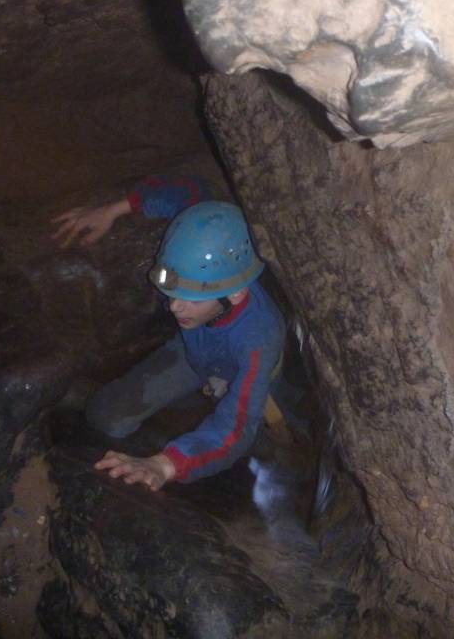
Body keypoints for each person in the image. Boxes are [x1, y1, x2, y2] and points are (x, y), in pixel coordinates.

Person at [51, 176, 285, 491]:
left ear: (235, 295)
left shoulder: (260, 335)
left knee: (251, 451)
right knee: (104, 415)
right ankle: (189, 403)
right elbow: (188, 191)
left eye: (188, 298)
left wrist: (164, 465)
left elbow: (236, 427)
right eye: (172, 293)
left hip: (243, 374)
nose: (174, 307)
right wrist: (113, 210)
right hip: (192, 353)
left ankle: (231, 426)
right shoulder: (204, 244)